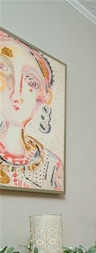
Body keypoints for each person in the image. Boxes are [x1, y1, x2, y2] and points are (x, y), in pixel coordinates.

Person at [0, 30, 63, 191]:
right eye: (3, 68)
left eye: (32, 82)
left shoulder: (52, 166)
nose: (17, 93)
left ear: (44, 97)